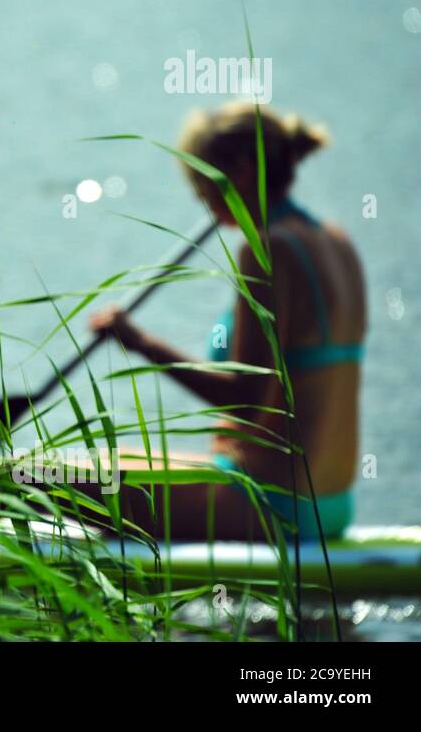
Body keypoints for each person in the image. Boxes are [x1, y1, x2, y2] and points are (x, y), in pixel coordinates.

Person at [88, 103, 365, 542]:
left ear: (237, 170)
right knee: (101, 464)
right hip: (331, 505)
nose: (203, 202)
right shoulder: (336, 242)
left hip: (271, 506)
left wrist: (139, 342)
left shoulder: (267, 249)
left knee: (35, 481)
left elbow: (245, 400)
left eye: (202, 186)